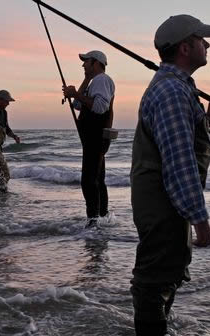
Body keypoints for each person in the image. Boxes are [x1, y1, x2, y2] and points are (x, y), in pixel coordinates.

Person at [130, 15, 210, 336]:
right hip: (164, 203)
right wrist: (199, 219)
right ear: (185, 48)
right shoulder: (172, 91)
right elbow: (179, 162)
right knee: (156, 280)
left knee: (163, 275)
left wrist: (207, 120)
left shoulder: (173, 88)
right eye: (202, 40)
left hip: (164, 201)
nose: (208, 44)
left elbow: (176, 141)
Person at [62, 50, 115, 227]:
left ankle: (93, 220)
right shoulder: (94, 81)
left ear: (96, 63)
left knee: (89, 180)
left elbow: (99, 107)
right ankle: (102, 217)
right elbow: (79, 105)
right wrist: (78, 89)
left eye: (86, 62)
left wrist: (76, 94)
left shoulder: (102, 80)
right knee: (98, 179)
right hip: (94, 138)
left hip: (96, 137)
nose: (83, 65)